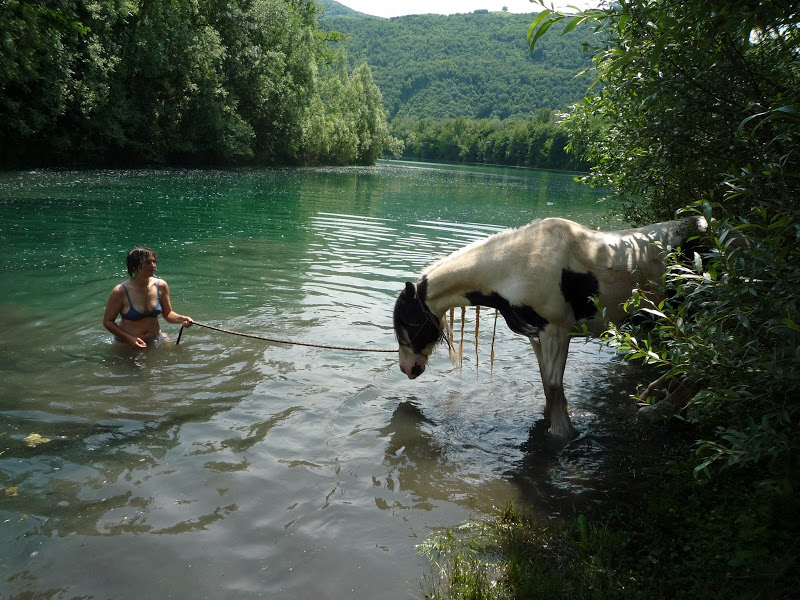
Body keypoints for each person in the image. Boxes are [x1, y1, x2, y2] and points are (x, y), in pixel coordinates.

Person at [103, 247, 193, 348]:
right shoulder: (120, 291)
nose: (153, 265)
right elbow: (108, 322)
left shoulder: (161, 285)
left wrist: (182, 319)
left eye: (154, 262)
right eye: (148, 262)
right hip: (126, 343)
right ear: (134, 266)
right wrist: (129, 338)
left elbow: (168, 314)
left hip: (155, 339)